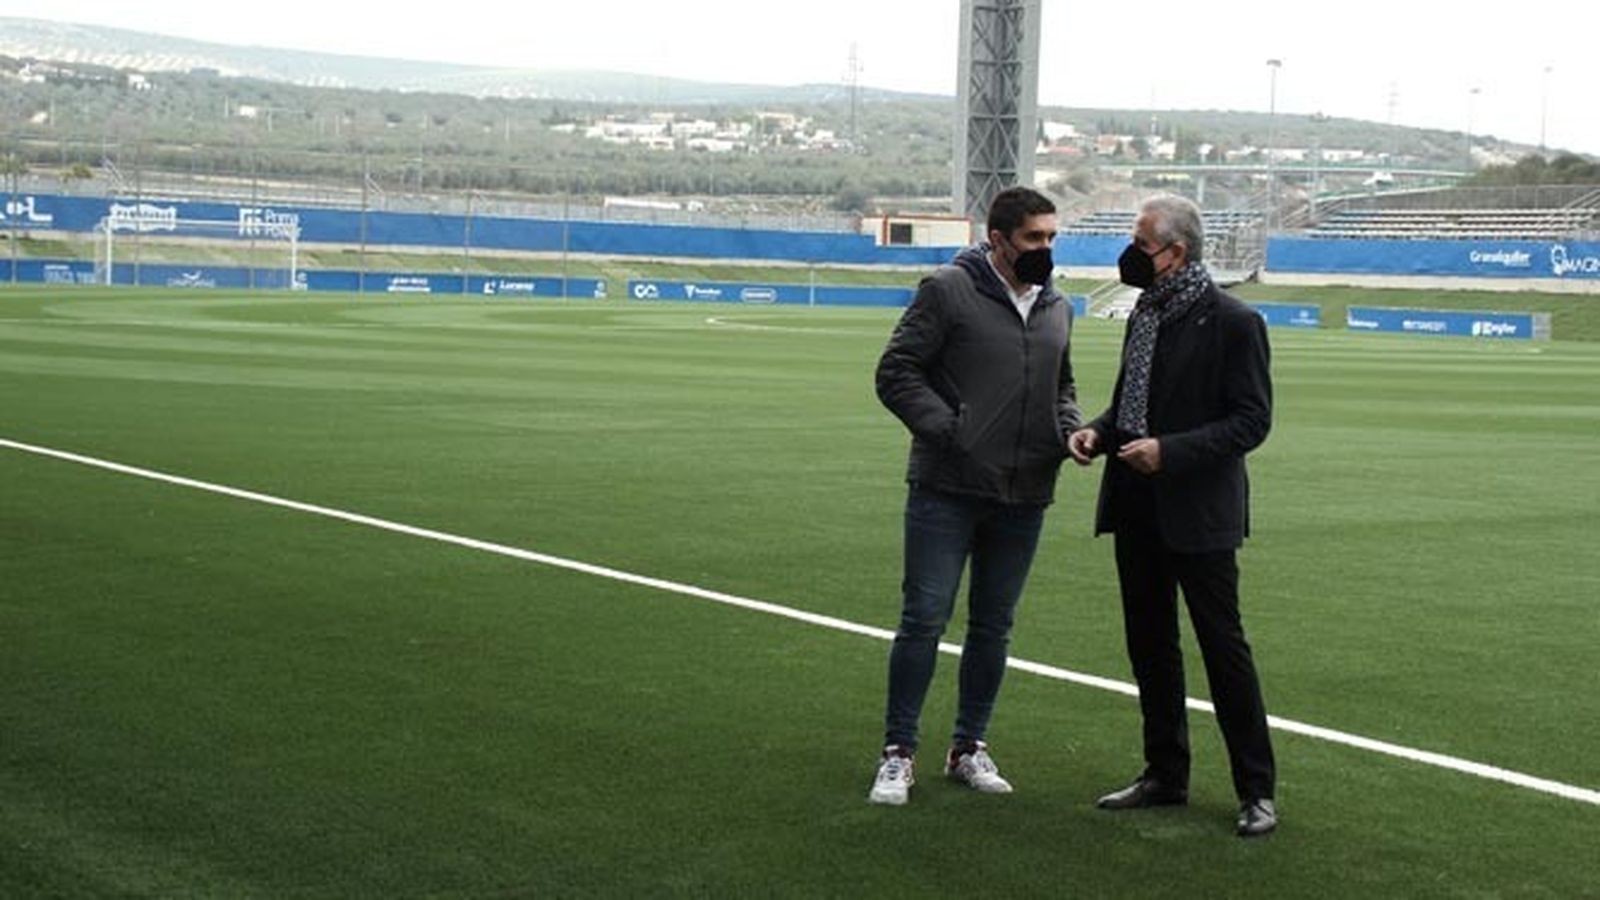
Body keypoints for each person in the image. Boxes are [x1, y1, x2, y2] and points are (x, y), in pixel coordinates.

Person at [1066, 194, 1279, 837]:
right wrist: (1098, 434)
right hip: (1134, 505)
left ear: (1176, 252)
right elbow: (1133, 405)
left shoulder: (1235, 322)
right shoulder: (1145, 314)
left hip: (1198, 512)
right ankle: (1165, 773)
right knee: (1150, 646)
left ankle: (1256, 790)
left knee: (1223, 650)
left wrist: (1172, 452)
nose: (1131, 254)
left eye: (1141, 242)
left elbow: (1251, 421)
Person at [868, 186, 1081, 806]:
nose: (1045, 249)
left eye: (1051, 238)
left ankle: (968, 747)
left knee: (994, 626)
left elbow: (1061, 385)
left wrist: (1071, 431)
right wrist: (949, 430)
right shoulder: (948, 290)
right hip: (947, 488)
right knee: (924, 619)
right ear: (998, 241)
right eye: (1033, 239)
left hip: (1026, 490)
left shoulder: (1057, 304)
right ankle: (898, 752)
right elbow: (895, 372)